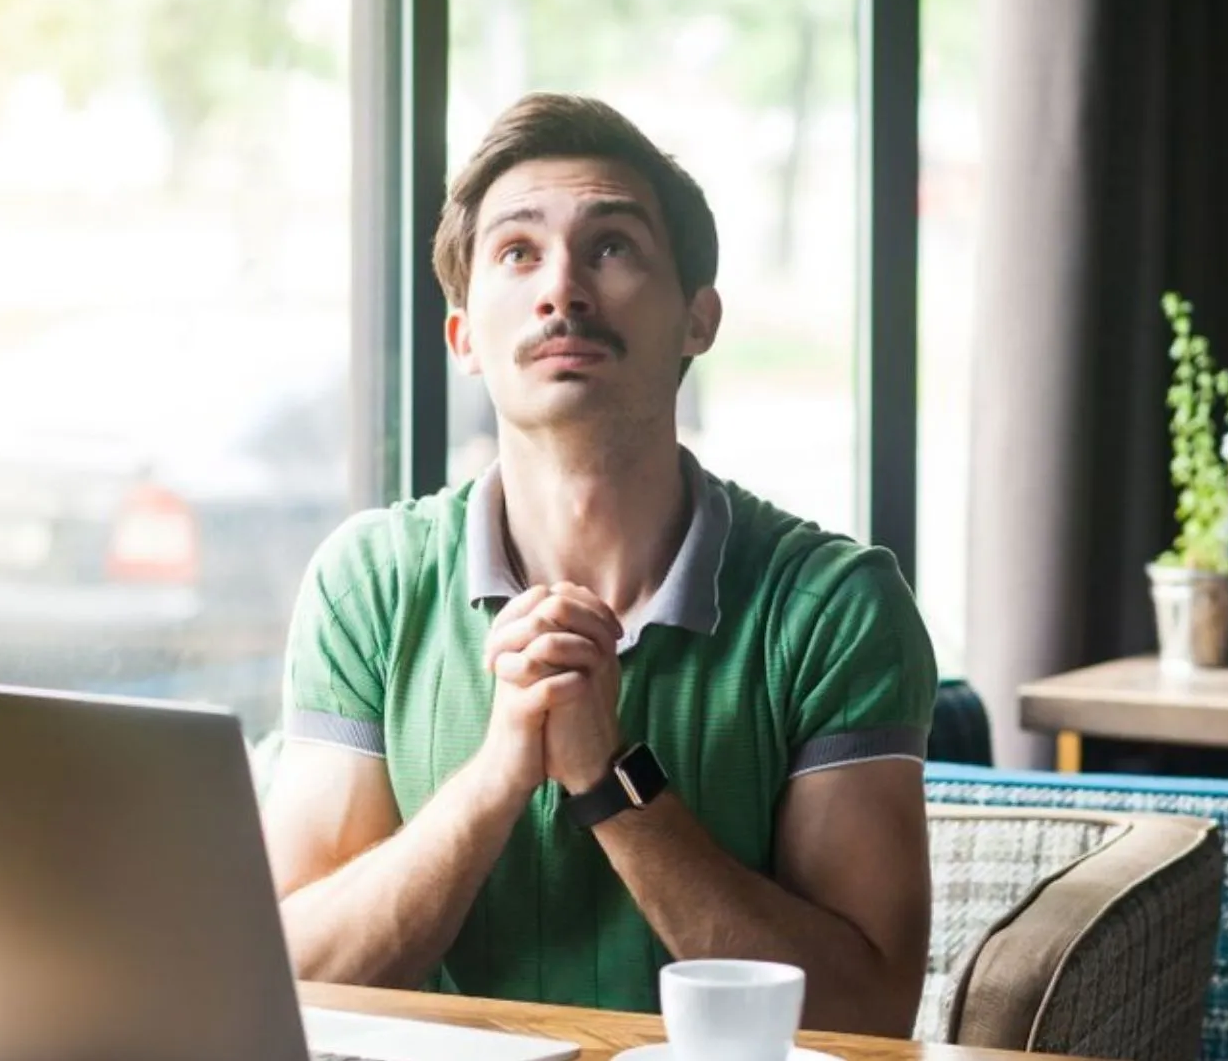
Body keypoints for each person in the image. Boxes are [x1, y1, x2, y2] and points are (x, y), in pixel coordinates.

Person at [262, 92, 936, 1038]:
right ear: (463, 339)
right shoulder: (367, 582)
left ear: (698, 320)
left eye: (612, 247)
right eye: (517, 253)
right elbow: (293, 978)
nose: (562, 290)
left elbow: (868, 1012)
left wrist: (612, 782)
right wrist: (500, 772)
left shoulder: (834, 607)